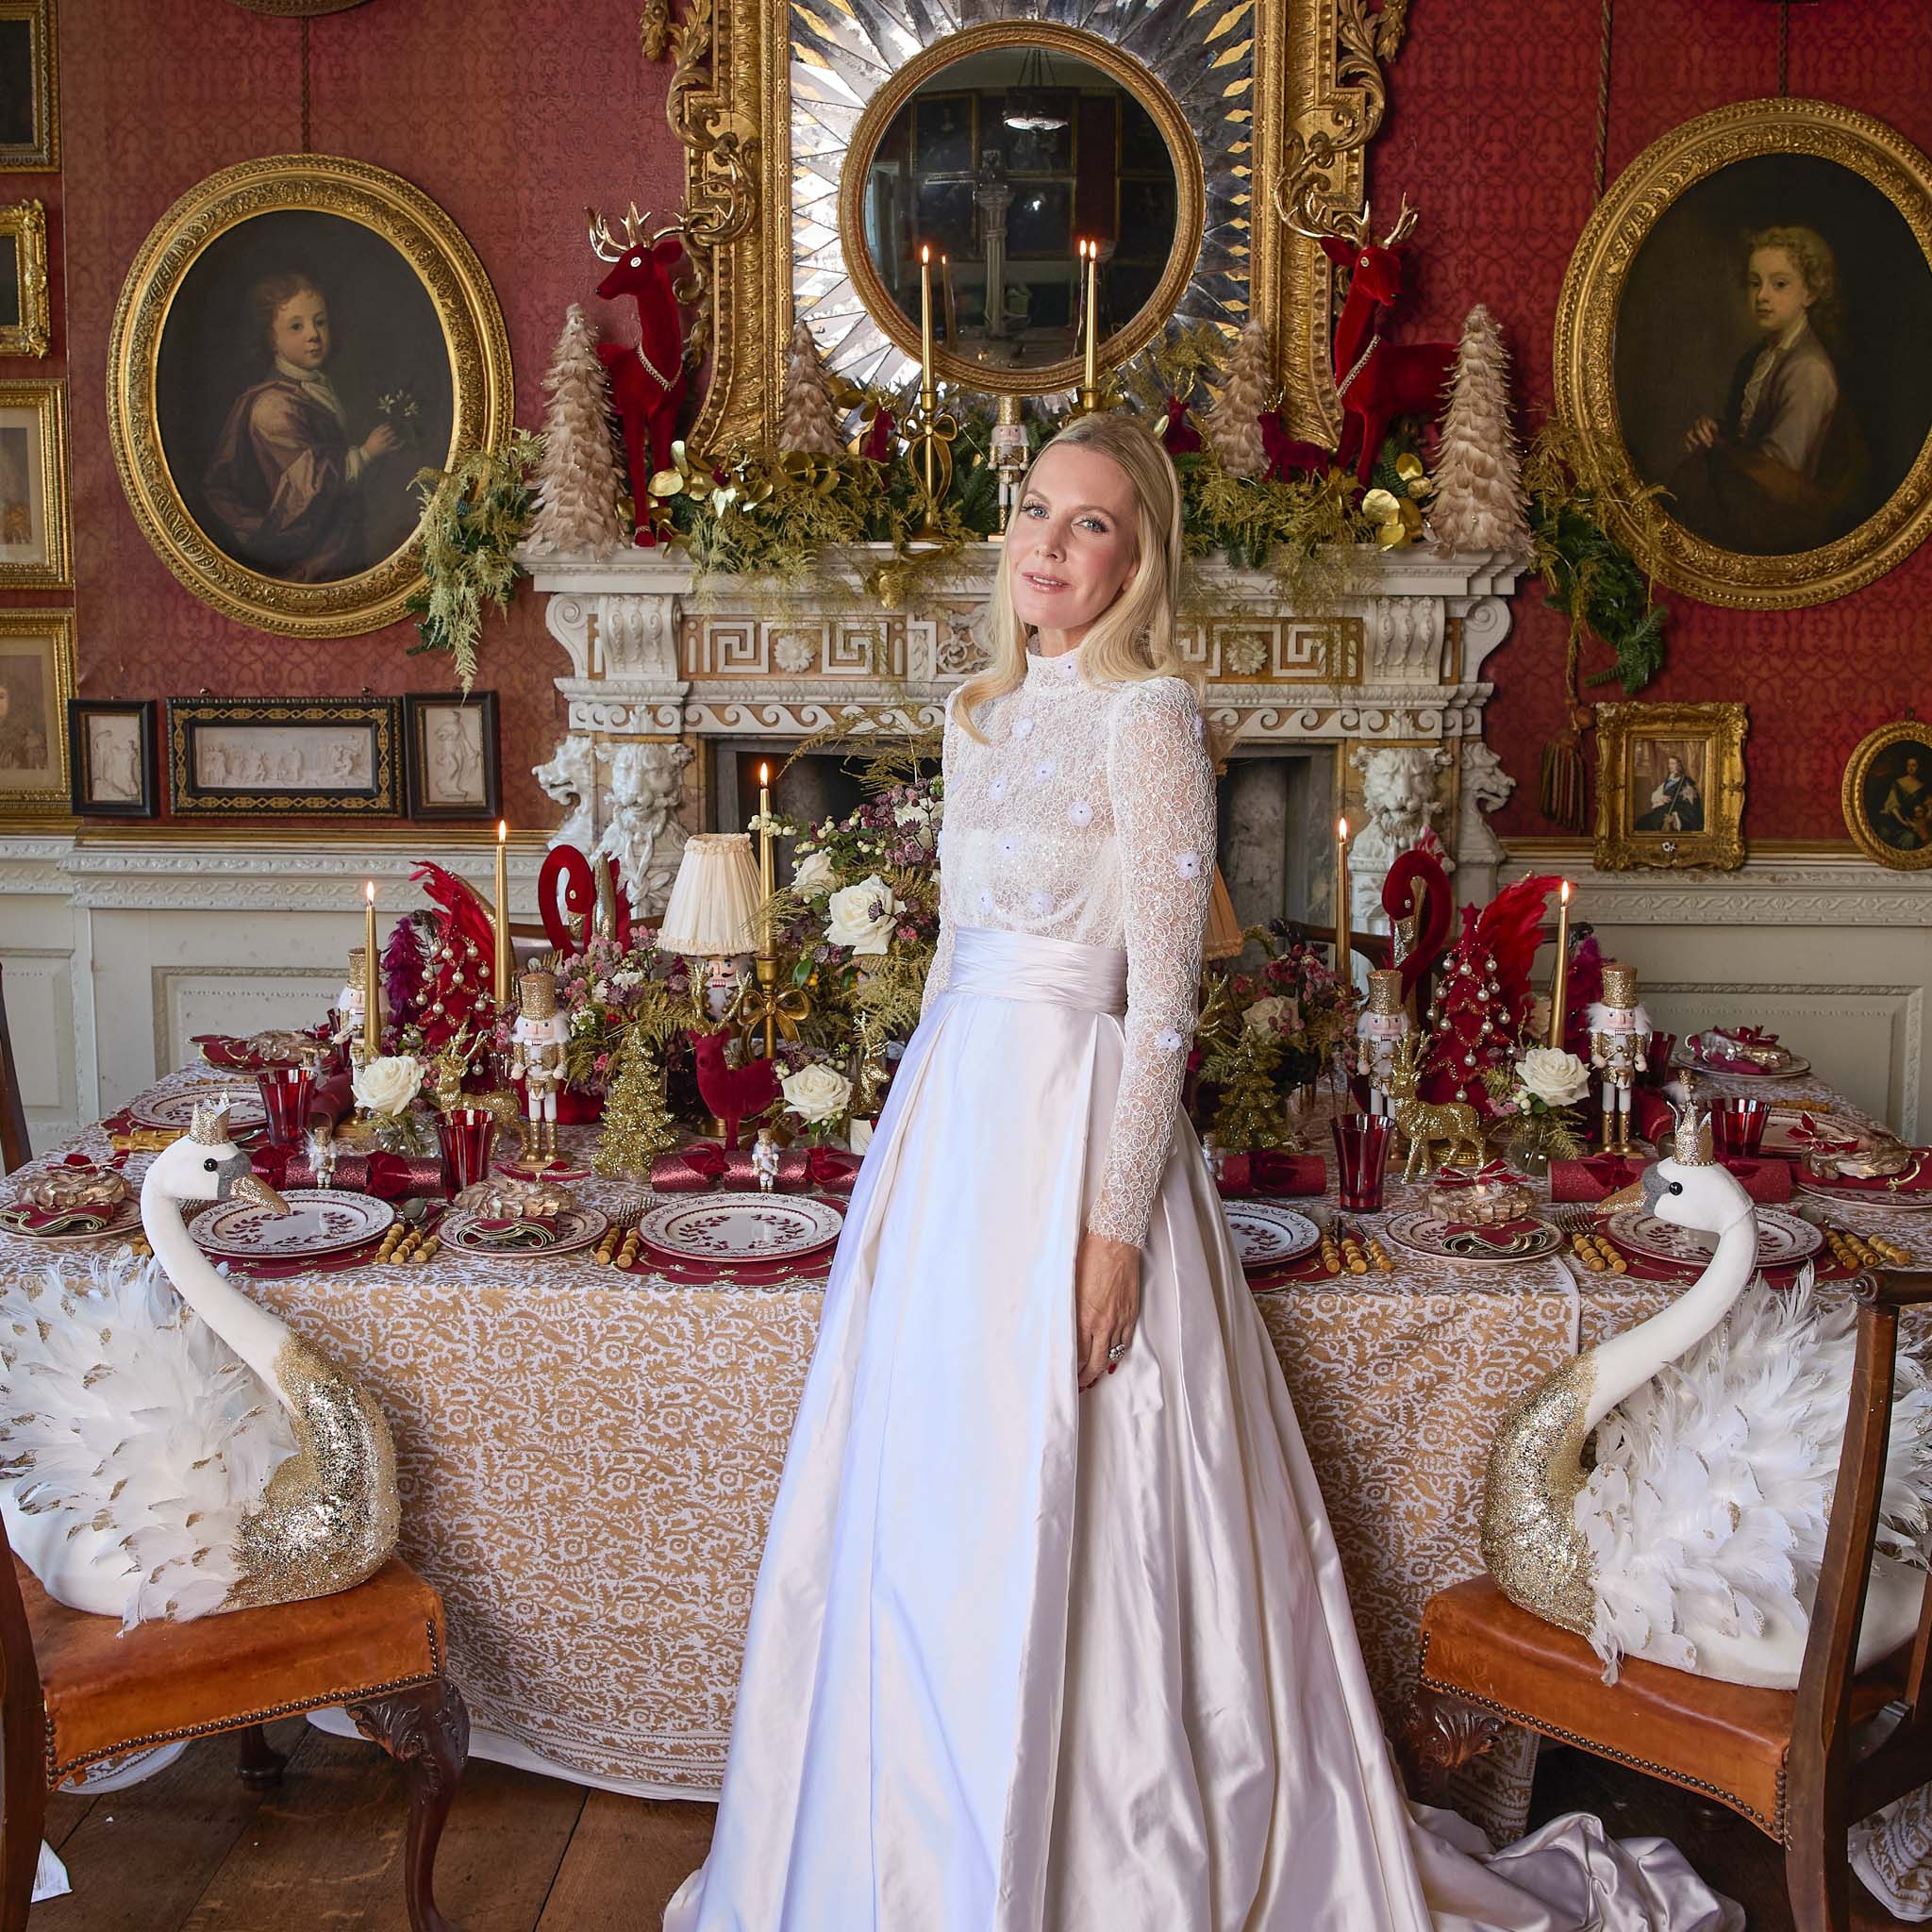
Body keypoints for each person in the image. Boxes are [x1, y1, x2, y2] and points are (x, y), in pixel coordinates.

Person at [663, 413, 1740, 1932]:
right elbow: (956, 955)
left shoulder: (1152, 715)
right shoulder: (974, 710)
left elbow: (1165, 998)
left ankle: (1113, 1856)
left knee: (1100, 1478)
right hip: (956, 1124)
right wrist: (901, 1163)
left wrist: (1113, 1237)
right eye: (1037, 509)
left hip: (1081, 1125)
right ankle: (909, 1846)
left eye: (1091, 522)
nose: (1049, 543)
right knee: (929, 1482)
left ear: (1138, 559)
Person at [1669, 225, 1864, 555]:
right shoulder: (1758, 358)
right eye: (1755, 283)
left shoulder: (1808, 370)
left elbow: (1779, 475)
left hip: (1784, 521)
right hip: (1751, 504)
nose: (1762, 296)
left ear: (1810, 293)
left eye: (1780, 284)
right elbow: (1747, 440)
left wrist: (1718, 449)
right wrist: (1713, 433)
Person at [202, 271, 402, 581]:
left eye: (320, 322)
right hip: (310, 553)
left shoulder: (315, 385)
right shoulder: (273, 406)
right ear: (272, 339)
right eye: (296, 326)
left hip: (339, 539)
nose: (313, 335)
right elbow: (307, 483)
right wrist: (364, 454)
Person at [1634, 752, 1704, 833]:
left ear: (1679, 765)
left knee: (1650, 825)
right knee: (1642, 822)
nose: (1669, 766)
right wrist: (1661, 797)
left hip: (1675, 815)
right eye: (1669, 763)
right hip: (1662, 811)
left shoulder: (1686, 782)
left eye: (1673, 763)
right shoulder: (1670, 779)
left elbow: (1690, 808)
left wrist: (1675, 817)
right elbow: (1656, 794)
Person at [1878, 752, 1932, 850]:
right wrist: (1903, 822)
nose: (1910, 768)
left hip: (1916, 821)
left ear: (1918, 767)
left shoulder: (1921, 786)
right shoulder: (1898, 783)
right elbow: (1893, 806)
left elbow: (1929, 804)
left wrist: (1928, 815)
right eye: (1908, 765)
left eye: (1913, 765)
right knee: (1908, 838)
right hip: (1899, 820)